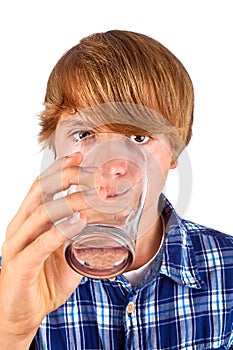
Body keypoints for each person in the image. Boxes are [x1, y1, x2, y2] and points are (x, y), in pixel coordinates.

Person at [0, 30, 233, 350]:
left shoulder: (229, 269)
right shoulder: (14, 278)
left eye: (138, 137)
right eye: (84, 133)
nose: (111, 164)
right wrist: (12, 333)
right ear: (55, 148)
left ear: (175, 152)